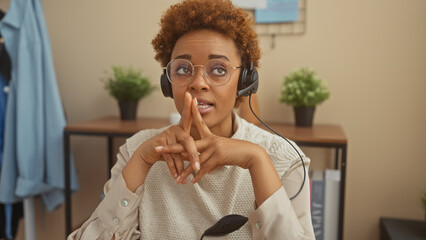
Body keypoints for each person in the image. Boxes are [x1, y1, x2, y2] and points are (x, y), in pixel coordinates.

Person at [69, 0, 314, 239]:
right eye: (184, 69)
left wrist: (257, 160)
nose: (197, 83)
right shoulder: (138, 151)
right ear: (168, 82)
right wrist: (143, 161)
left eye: (219, 69)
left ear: (245, 82)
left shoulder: (285, 160)